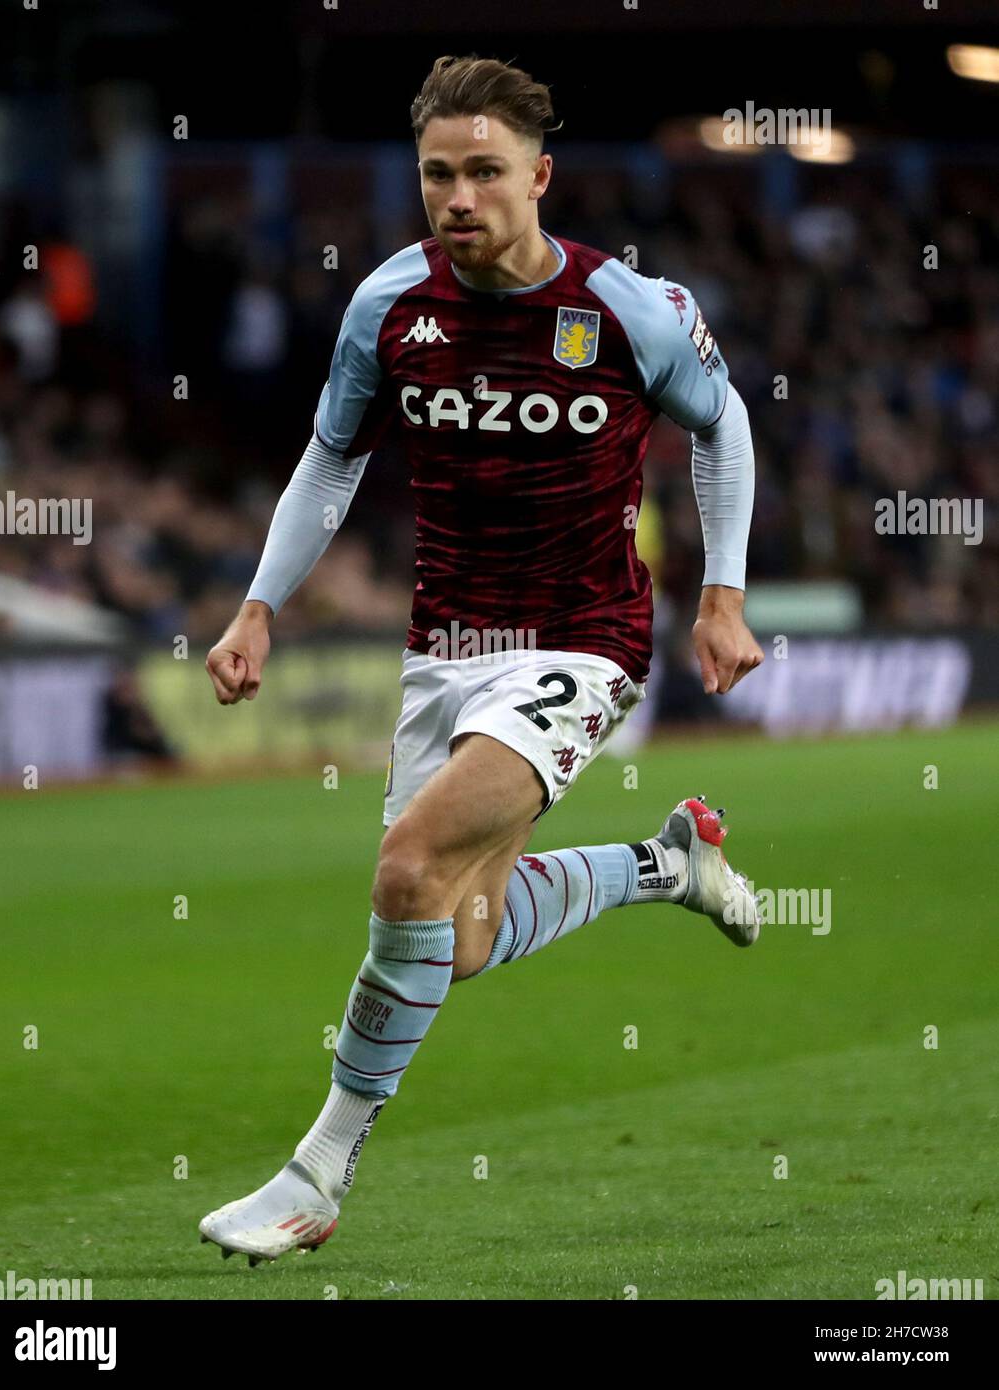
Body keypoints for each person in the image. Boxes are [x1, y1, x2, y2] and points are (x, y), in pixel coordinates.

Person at [200, 54, 764, 1265]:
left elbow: (724, 426)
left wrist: (718, 596)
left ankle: (316, 1171)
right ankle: (665, 866)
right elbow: (329, 459)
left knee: (407, 868)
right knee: (456, 938)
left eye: (484, 174)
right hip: (442, 647)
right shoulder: (386, 308)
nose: (457, 198)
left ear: (539, 178)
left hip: (580, 639)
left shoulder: (631, 308)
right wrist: (257, 606)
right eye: (437, 175)